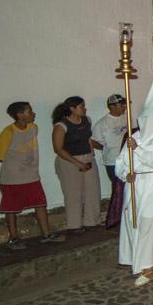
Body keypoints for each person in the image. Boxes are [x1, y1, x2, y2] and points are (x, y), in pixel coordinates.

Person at [107, 67, 153, 287]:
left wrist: (139, 150)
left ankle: (147, 264)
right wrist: (125, 175)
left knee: (149, 223)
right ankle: (135, 258)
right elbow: (120, 162)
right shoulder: (132, 135)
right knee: (132, 222)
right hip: (134, 184)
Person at [0, 102, 64, 248]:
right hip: (12, 178)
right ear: (20, 115)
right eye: (29, 111)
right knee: (11, 208)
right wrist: (16, 165)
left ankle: (46, 234)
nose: (33, 114)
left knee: (40, 203)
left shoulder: (33, 128)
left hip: (31, 176)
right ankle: (13, 238)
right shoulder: (9, 132)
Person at [51, 96, 101, 233]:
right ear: (72, 109)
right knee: (73, 194)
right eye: (81, 107)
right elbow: (58, 149)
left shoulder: (86, 120)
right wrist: (77, 163)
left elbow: (87, 139)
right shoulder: (61, 126)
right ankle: (74, 225)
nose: (85, 109)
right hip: (68, 160)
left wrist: (100, 148)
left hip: (87, 157)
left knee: (93, 191)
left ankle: (92, 221)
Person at [91, 94, 128, 191]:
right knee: (117, 186)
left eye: (124, 104)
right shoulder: (102, 123)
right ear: (112, 106)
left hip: (127, 158)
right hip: (112, 160)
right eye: (121, 105)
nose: (124, 107)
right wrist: (104, 148)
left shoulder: (126, 118)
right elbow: (92, 141)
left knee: (128, 186)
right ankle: (116, 206)